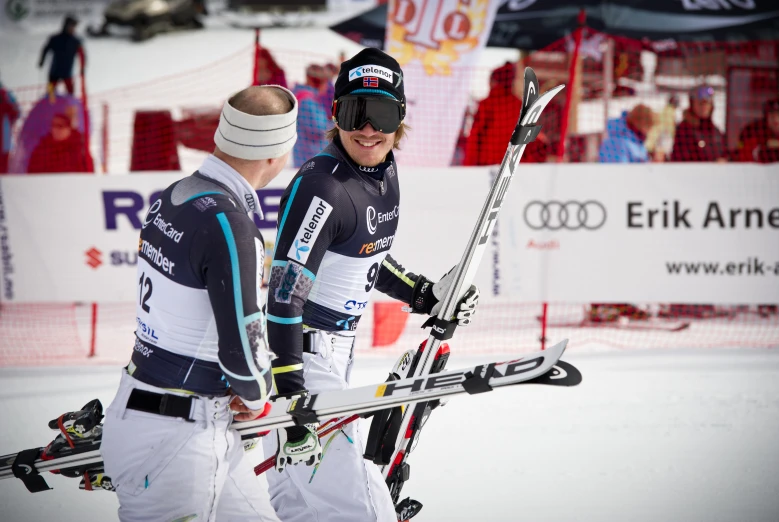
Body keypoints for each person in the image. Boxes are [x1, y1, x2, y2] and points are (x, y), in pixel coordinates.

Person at [262, 48, 480, 522]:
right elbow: (283, 297)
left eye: (381, 114)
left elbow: (362, 255)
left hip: (331, 355)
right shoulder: (322, 186)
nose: (367, 129)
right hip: (299, 360)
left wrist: (422, 294)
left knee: (302, 510)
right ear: (335, 113)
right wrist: (292, 393)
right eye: (354, 111)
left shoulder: (381, 172)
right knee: (363, 510)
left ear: (400, 119)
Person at [100, 85, 298, 522]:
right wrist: (260, 394)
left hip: (162, 415)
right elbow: (243, 356)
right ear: (276, 152)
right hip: (178, 438)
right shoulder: (229, 223)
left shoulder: (176, 194)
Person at [670, 85, 726, 162]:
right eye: (700, 103)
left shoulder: (715, 131)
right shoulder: (684, 130)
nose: (704, 107)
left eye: (707, 103)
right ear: (692, 105)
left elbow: (724, 154)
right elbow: (681, 159)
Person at [26, 110, 94, 174]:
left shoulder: (80, 149)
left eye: (60, 126)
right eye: (53, 125)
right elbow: (32, 172)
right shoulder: (42, 149)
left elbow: (87, 174)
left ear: (69, 128)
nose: (56, 129)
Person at [291, 64, 331, 166]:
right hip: (309, 158)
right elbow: (317, 129)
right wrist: (337, 126)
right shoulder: (307, 101)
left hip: (307, 156)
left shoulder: (309, 98)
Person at [39, 15, 84, 97]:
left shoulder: (76, 41)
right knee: (50, 94)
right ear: (66, 26)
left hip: (67, 73)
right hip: (54, 71)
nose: (73, 29)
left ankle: (69, 108)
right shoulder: (55, 39)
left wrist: (82, 67)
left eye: (74, 27)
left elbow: (82, 55)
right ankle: (50, 106)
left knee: (70, 94)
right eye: (72, 26)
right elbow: (45, 49)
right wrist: (42, 60)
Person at [736, 97, 779, 163]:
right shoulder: (751, 131)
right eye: (772, 115)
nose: (776, 120)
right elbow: (743, 159)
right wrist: (764, 146)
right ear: (766, 117)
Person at [0, 77, 20, 174]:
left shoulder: (5, 94)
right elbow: (17, 112)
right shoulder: (6, 94)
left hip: (4, 139)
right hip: (5, 140)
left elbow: (16, 112)